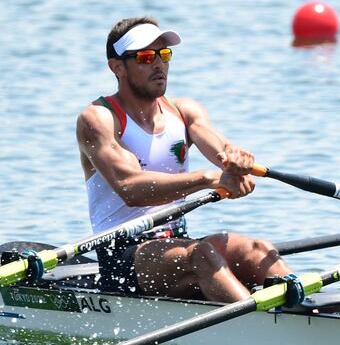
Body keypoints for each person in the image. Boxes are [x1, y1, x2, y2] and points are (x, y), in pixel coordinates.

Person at [76, 16, 292, 302]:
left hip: (175, 241)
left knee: (258, 250)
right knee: (203, 255)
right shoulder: (99, 118)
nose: (158, 64)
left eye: (164, 54)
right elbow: (130, 188)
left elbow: (221, 149)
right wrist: (206, 179)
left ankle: (310, 318)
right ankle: (264, 329)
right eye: (144, 57)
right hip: (123, 257)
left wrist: (235, 161)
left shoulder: (184, 111)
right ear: (117, 67)